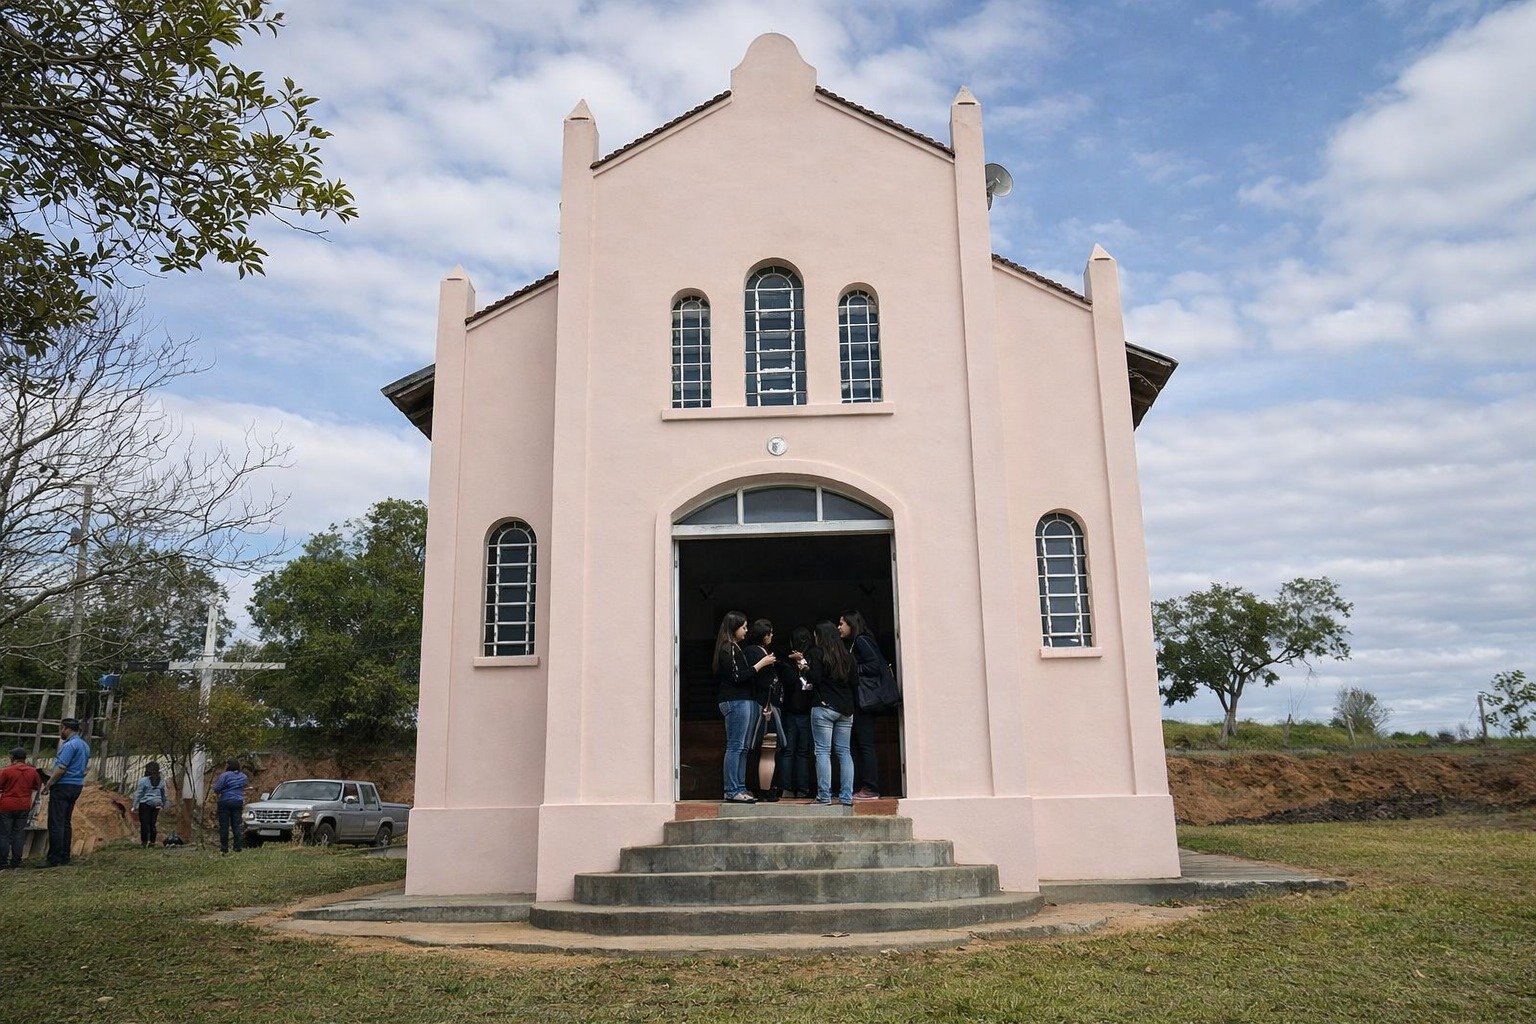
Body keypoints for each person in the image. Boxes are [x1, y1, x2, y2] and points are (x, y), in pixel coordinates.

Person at [713, 611, 774, 804]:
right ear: (734, 628)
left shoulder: (734, 648)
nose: (746, 631)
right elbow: (738, 677)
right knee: (736, 746)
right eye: (744, 627)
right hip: (735, 700)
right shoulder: (728, 648)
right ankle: (732, 789)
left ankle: (739, 787)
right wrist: (760, 664)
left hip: (741, 701)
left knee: (743, 747)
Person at [807, 620, 856, 805]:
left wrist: (804, 669)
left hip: (824, 706)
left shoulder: (817, 653)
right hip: (846, 709)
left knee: (822, 752)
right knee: (844, 752)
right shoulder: (848, 656)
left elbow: (815, 679)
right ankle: (846, 797)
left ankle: (824, 796)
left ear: (820, 636)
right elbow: (854, 683)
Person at [841, 609, 886, 800]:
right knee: (861, 745)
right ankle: (866, 786)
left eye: (842, 623)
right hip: (862, 702)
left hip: (864, 703)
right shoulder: (859, 641)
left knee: (865, 745)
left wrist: (851, 670)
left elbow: (874, 666)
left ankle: (870, 788)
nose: (839, 627)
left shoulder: (861, 641)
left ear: (851, 625)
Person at [39, 718, 88, 866]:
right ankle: (65, 856)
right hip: (76, 785)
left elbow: (61, 768)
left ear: (66, 728)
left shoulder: (70, 745)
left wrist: (49, 783)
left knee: (56, 823)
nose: (61, 732)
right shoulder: (84, 745)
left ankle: (54, 858)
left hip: (63, 786)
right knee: (66, 822)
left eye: (61, 728)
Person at [741, 619, 781, 801]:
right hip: (763, 705)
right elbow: (759, 679)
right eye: (769, 633)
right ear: (763, 635)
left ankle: (764, 787)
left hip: (767, 704)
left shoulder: (758, 651)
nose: (771, 636)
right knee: (761, 747)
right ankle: (759, 788)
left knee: (767, 748)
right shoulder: (752, 651)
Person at [776, 626, 816, 798]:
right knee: (802, 752)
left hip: (790, 711)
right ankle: (803, 789)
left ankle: (786, 788)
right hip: (806, 711)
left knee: (788, 750)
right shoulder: (813, 659)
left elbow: (788, 680)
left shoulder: (785, 663)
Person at [0, 747, 43, 869]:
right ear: (25, 758)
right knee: (18, 834)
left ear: (12, 758)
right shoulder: (32, 771)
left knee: (4, 835)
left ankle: (2, 863)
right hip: (24, 806)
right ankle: (16, 862)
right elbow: (37, 786)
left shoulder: (6, 771)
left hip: (6, 805)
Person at [211, 758, 249, 853]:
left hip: (225, 801)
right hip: (238, 802)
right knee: (236, 825)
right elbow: (244, 786)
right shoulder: (243, 776)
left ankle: (224, 848)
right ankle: (238, 847)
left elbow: (217, 788)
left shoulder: (224, 776)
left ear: (228, 766)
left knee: (224, 826)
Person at [130, 761, 169, 848]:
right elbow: (164, 794)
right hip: (157, 804)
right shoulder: (161, 781)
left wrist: (134, 805)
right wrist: (164, 804)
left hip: (145, 804)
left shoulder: (143, 780)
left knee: (144, 823)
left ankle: (144, 842)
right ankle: (152, 842)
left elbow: (139, 794)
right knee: (152, 823)